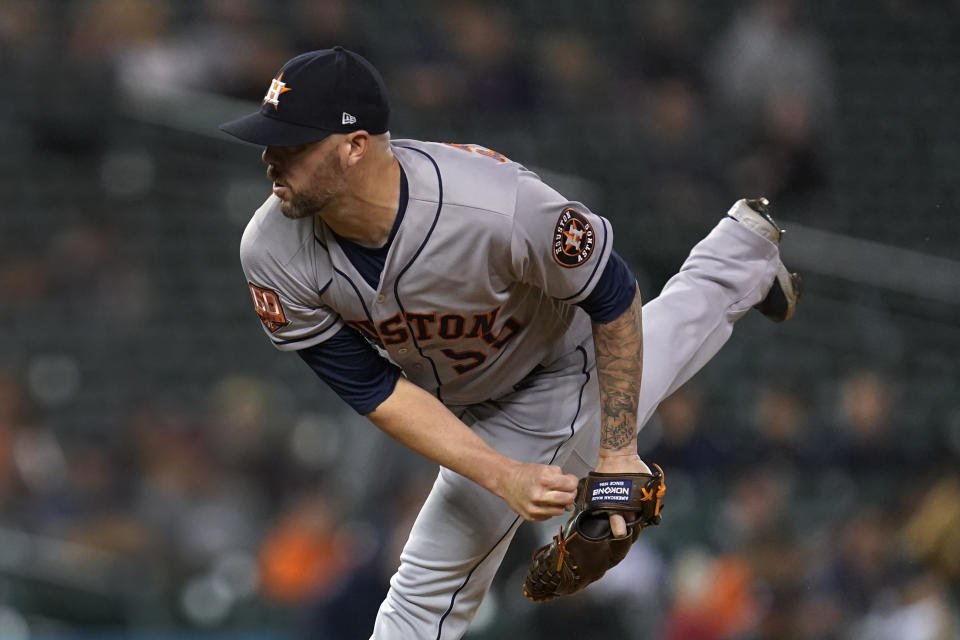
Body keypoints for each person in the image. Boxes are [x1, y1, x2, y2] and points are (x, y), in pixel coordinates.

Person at [219, 47, 799, 640]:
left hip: (551, 367)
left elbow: (614, 295)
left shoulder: (494, 205)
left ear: (354, 146)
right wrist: (503, 474)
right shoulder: (271, 250)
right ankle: (739, 256)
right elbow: (374, 389)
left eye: (292, 144)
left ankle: (736, 264)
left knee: (420, 601)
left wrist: (619, 454)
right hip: (461, 396)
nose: (270, 158)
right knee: (657, 350)